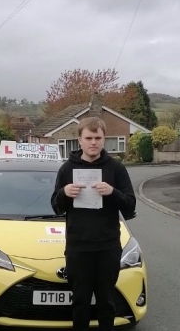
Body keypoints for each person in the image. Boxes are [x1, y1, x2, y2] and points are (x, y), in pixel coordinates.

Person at [51, 116, 136, 331]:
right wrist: (64, 193)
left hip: (108, 247)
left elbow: (130, 206)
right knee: (80, 303)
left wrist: (112, 192)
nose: (93, 142)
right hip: (78, 247)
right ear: (79, 140)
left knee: (106, 303)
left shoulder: (116, 168)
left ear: (104, 139)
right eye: (88, 137)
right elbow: (56, 207)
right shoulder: (66, 169)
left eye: (98, 137)